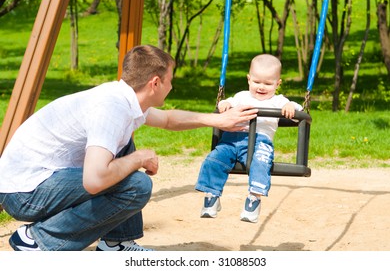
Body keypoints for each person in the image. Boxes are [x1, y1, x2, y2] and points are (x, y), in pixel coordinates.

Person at [0, 45, 258, 251]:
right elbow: (94, 180)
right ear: (155, 83)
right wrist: (138, 159)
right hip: (24, 192)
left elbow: (168, 120)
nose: (172, 86)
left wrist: (217, 120)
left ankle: (117, 243)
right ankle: (39, 240)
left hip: (32, 180)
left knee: (124, 148)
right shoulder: (111, 110)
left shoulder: (124, 98)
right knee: (136, 185)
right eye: (170, 80)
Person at [195, 54, 302, 223]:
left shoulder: (278, 101)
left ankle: (254, 199)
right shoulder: (241, 96)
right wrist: (224, 104)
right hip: (231, 139)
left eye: (268, 83)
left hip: (260, 141)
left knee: (261, 161)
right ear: (249, 79)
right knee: (214, 159)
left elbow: (298, 113)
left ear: (278, 84)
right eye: (257, 82)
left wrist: (291, 107)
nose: (261, 87)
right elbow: (227, 103)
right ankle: (212, 195)